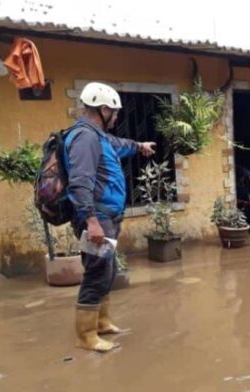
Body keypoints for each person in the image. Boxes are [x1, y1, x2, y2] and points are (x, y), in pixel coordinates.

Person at [66, 82, 156, 352]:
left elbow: (119, 145)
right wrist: (91, 221)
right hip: (96, 218)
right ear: (103, 109)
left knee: (107, 270)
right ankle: (86, 336)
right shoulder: (85, 138)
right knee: (96, 272)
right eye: (114, 113)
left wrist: (139, 146)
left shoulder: (99, 136)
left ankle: (102, 322)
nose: (116, 119)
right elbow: (80, 182)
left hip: (107, 218)